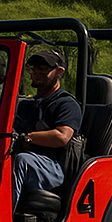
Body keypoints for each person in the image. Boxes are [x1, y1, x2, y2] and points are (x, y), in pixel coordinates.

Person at [11, 49, 83, 207]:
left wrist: (27, 137)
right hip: (30, 158)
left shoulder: (67, 104)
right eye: (34, 68)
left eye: (43, 68)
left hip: (54, 166)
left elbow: (61, 137)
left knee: (21, 160)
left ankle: (4, 217)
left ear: (59, 71)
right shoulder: (26, 104)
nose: (36, 72)